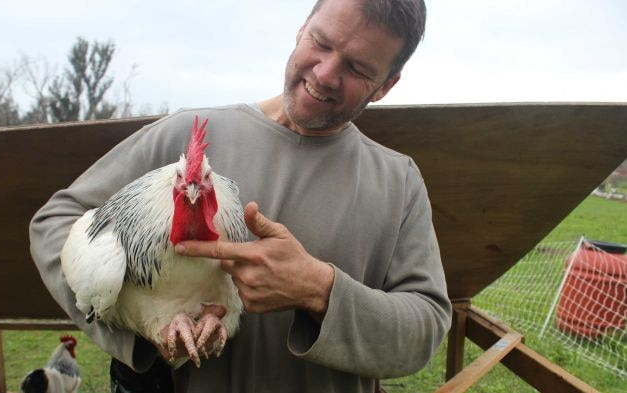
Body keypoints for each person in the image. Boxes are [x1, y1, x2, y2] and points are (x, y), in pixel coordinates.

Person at [29, 0, 452, 392]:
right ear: (302, 28)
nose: (325, 73)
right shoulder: (186, 137)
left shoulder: (398, 182)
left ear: (386, 85)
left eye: (358, 68)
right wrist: (142, 331)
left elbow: (423, 330)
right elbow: (56, 222)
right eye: (320, 42)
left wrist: (320, 291)